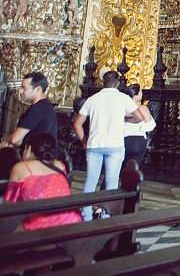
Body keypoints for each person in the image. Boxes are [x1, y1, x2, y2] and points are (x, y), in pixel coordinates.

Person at [73, 70, 143, 221]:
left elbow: (77, 123)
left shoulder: (92, 99)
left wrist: (84, 140)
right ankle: (106, 214)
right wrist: (124, 119)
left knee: (91, 180)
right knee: (112, 180)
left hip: (94, 143)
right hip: (115, 144)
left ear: (103, 83)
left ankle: (85, 215)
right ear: (117, 84)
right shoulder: (123, 98)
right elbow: (140, 118)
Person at [4, 133, 81, 230]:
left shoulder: (22, 167)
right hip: (72, 222)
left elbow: (10, 202)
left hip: (40, 226)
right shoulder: (60, 166)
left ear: (28, 149)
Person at [1, 72, 58, 149]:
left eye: (24, 88)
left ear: (38, 89)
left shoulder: (38, 108)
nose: (20, 91)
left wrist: (9, 143)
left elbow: (15, 140)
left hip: (34, 156)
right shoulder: (46, 106)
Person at [122, 84, 155, 167]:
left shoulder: (121, 107)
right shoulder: (142, 108)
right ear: (135, 96)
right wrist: (141, 126)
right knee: (133, 168)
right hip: (137, 140)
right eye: (140, 92)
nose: (141, 93)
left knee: (117, 168)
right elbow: (150, 126)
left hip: (121, 139)